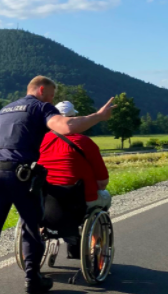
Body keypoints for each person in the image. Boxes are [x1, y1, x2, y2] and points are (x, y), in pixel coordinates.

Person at [0, 76, 116, 294]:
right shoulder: (40, 107)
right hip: (20, 175)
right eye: (52, 95)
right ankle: (33, 278)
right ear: (42, 89)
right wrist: (99, 116)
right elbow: (66, 126)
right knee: (31, 226)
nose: (52, 101)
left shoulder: (5, 109)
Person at [38, 101, 111, 258]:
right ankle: (94, 246)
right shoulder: (85, 143)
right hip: (79, 200)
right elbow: (102, 181)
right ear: (75, 118)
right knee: (104, 200)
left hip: (46, 200)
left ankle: (40, 235)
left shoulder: (40, 142)